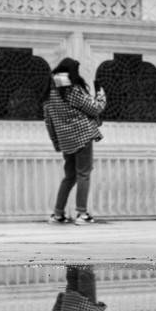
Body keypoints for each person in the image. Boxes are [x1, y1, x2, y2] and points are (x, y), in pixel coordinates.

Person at [43, 57, 106, 224]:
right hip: (83, 137)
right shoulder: (72, 90)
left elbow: (49, 122)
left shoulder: (50, 93)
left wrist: (57, 142)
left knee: (69, 176)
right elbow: (95, 108)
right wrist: (101, 94)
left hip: (66, 141)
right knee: (83, 174)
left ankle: (58, 214)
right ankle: (82, 214)